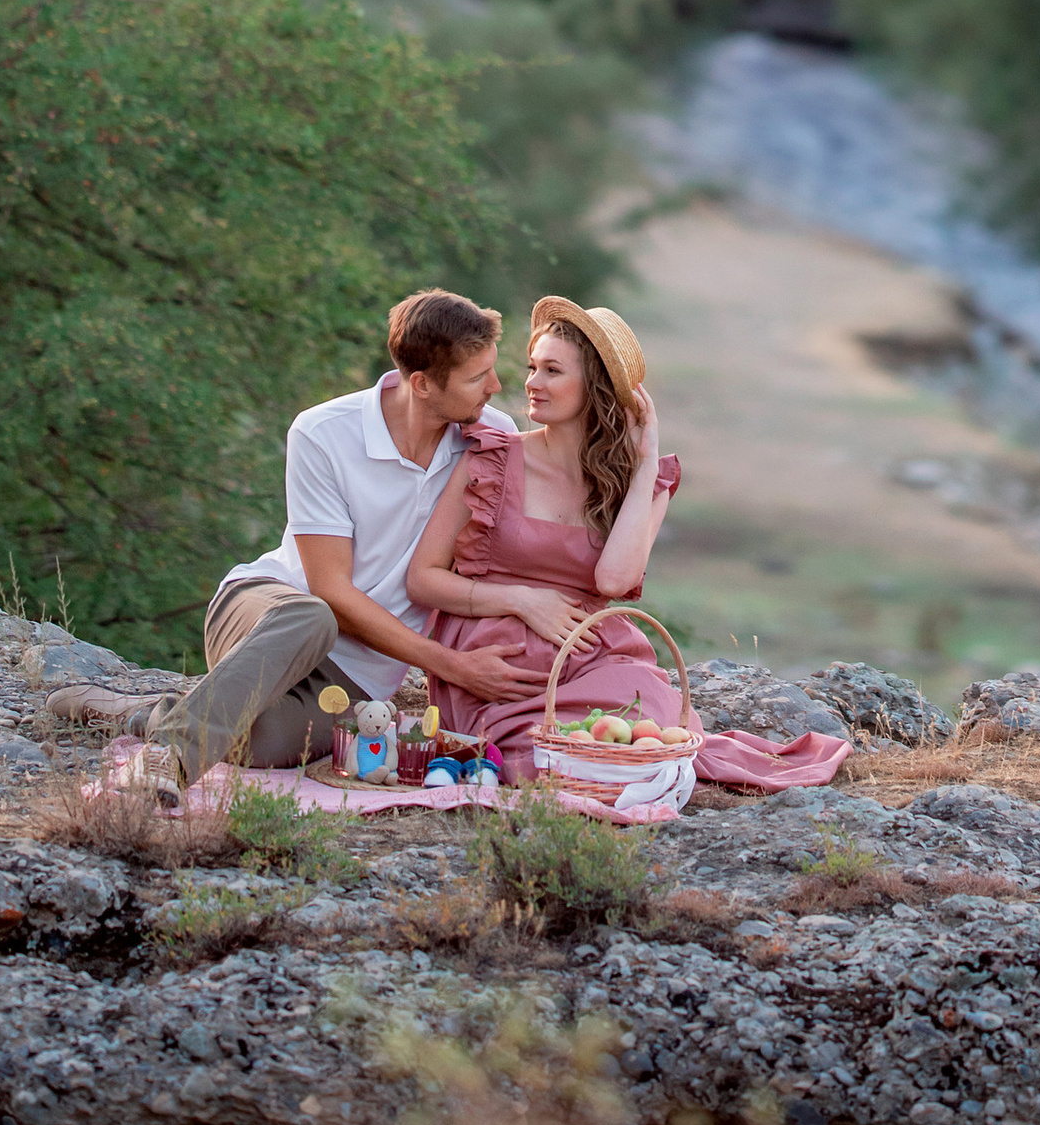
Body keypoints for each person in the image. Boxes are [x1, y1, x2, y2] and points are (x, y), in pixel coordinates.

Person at [405, 292, 848, 791]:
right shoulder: (490, 460)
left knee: (646, 726)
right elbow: (422, 579)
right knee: (548, 759)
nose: (531, 383)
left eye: (552, 370)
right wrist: (522, 600)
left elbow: (614, 579)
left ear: (593, 386)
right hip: (499, 661)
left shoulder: (644, 485)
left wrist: (643, 466)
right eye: (532, 367)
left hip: (595, 655)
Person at [70, 289, 522, 777]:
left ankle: (145, 715)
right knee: (315, 615)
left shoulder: (491, 436)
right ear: (422, 384)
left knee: (257, 748)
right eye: (478, 377)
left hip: (360, 673)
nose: (495, 385)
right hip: (271, 613)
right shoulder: (323, 433)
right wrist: (448, 664)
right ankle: (167, 762)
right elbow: (331, 591)